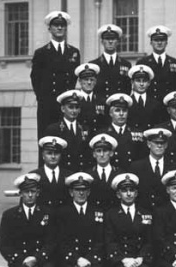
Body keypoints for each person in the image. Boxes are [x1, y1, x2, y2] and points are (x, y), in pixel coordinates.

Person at [30, 11, 80, 141]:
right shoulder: (41, 52)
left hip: (67, 105)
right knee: (47, 141)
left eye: (62, 25)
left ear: (66, 28)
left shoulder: (74, 52)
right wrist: (43, 99)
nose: (59, 28)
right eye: (56, 25)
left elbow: (74, 78)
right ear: (49, 28)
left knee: (67, 141)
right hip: (48, 105)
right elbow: (35, 78)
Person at [0, 173, 56, 267]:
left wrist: (36, 258)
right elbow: (4, 245)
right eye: (26, 192)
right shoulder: (10, 215)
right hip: (20, 260)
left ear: (38, 193)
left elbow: (51, 241)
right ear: (20, 194)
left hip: (42, 259)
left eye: (33, 191)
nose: (30, 195)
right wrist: (22, 259)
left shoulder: (47, 213)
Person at [105, 173, 153, 267]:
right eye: (124, 191)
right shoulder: (111, 214)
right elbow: (110, 242)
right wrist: (124, 260)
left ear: (136, 193)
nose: (128, 194)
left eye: (131, 190)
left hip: (140, 260)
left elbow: (149, 240)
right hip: (120, 261)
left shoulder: (146, 213)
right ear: (118, 194)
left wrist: (140, 258)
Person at [56, 172, 104, 267]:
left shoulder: (97, 212)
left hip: (91, 259)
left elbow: (100, 241)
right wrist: (77, 259)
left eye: (84, 190)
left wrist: (89, 259)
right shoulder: (62, 213)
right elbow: (61, 242)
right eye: (77, 190)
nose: (81, 193)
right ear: (71, 192)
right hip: (70, 260)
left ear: (89, 192)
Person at [129, 128, 176, 211]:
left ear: (166, 145)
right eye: (156, 142)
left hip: (165, 214)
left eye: (162, 143)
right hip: (144, 212)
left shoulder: (173, 167)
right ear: (148, 144)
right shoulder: (136, 167)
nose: (159, 146)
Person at [44, 90, 92, 172]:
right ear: (63, 109)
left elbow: (88, 156)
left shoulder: (85, 129)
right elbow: (48, 156)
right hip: (62, 174)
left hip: (81, 173)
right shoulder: (53, 129)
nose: (74, 111)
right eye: (70, 107)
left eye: (76, 107)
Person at [137, 25, 176, 102]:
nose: (159, 43)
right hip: (150, 104)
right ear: (151, 42)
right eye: (156, 40)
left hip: (169, 105)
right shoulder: (143, 63)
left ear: (166, 42)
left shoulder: (175, 63)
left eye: (162, 40)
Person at [102, 93, 146, 170]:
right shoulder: (103, 134)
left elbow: (142, 158)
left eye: (124, 110)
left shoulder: (138, 133)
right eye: (117, 110)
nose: (121, 114)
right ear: (110, 113)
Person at [89, 24, 131, 100]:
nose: (110, 41)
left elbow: (128, 88)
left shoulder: (126, 64)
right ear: (102, 42)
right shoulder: (94, 64)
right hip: (101, 106)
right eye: (107, 39)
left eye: (113, 39)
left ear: (118, 41)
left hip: (119, 106)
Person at [30, 136, 73, 209]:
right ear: (43, 155)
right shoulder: (34, 176)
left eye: (56, 153)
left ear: (61, 155)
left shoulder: (69, 175)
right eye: (49, 153)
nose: (53, 156)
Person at [86, 133, 123, 211]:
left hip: (114, 214)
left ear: (111, 153)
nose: (102, 154)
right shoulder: (88, 175)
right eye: (98, 151)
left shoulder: (120, 174)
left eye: (105, 151)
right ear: (94, 154)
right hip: (94, 213)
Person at [127, 64, 164, 130]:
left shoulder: (156, 104)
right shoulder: (127, 103)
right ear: (132, 82)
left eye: (144, 81)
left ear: (149, 83)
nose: (141, 84)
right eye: (138, 81)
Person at [75, 63, 108, 134]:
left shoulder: (102, 101)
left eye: (92, 80)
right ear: (80, 81)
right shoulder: (75, 100)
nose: (89, 82)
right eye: (86, 79)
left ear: (95, 81)